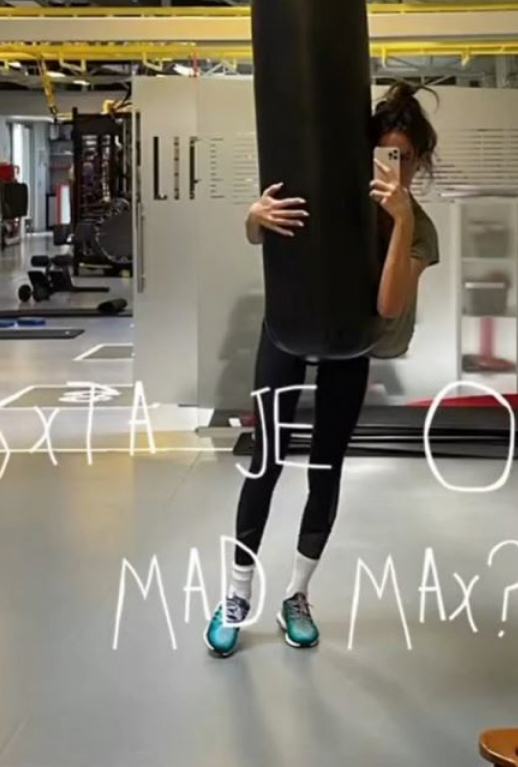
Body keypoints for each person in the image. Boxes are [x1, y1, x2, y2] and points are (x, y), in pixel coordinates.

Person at [205, 81, 440, 658]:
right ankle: (235, 595)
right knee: (265, 462)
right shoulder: (330, 193)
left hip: (351, 342)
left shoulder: (420, 229)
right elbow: (263, 233)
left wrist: (400, 223)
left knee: (325, 468)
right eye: (384, 154)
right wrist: (253, 216)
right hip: (286, 330)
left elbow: (389, 304)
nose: (393, 167)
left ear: (418, 163)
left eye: (404, 159)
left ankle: (297, 596)